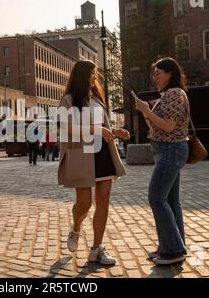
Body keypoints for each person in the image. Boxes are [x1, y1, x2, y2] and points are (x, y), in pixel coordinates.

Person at [58, 60, 130, 265]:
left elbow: (102, 125)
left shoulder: (97, 98)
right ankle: (76, 227)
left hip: (103, 154)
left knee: (103, 201)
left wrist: (114, 131)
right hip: (82, 155)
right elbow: (68, 128)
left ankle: (96, 249)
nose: (95, 77)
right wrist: (98, 130)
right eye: (92, 74)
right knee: (84, 204)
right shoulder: (68, 100)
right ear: (82, 76)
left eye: (95, 73)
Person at [133, 57, 190, 266]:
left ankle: (173, 250)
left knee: (156, 198)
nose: (155, 78)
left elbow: (169, 127)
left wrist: (147, 111)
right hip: (167, 151)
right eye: (154, 74)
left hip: (171, 150)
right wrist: (146, 111)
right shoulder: (165, 96)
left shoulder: (175, 93)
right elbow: (155, 127)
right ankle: (174, 245)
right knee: (171, 201)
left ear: (170, 74)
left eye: (158, 73)